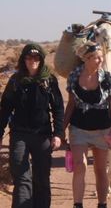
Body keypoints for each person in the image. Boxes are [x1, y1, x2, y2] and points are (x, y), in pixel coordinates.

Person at [0, 43, 64, 208]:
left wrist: (58, 134)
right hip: (19, 135)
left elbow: (58, 109)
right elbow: (5, 109)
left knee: (41, 178)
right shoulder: (16, 80)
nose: (32, 61)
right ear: (24, 60)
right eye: (29, 57)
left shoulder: (49, 80)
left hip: (42, 135)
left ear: (41, 60)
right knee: (22, 178)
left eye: (36, 57)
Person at [63, 41, 111, 208]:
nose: (100, 60)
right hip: (79, 128)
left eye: (101, 57)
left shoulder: (108, 78)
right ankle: (78, 204)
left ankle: (102, 204)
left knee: (100, 170)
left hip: (102, 129)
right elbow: (70, 105)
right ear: (86, 58)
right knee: (80, 166)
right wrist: (61, 130)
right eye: (96, 58)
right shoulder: (74, 76)